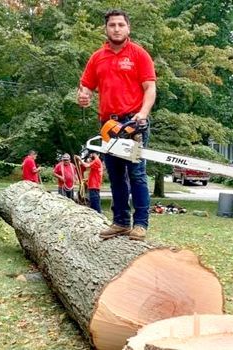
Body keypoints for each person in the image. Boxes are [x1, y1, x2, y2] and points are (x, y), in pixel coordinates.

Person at [77, 9, 156, 241]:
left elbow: (150, 88)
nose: (117, 28)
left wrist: (142, 114)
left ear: (128, 28)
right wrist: (83, 96)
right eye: (112, 25)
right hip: (108, 125)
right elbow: (85, 87)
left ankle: (140, 223)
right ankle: (121, 221)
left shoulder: (139, 55)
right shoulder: (97, 57)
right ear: (106, 28)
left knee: (137, 174)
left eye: (121, 24)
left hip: (133, 122)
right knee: (115, 174)